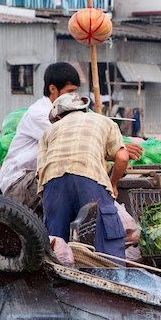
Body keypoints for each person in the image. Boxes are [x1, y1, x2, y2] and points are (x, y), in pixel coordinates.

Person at [37, 93, 131, 259]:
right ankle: (112, 280)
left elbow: (40, 173)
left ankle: (61, 283)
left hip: (53, 183)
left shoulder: (48, 132)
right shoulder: (104, 121)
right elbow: (123, 157)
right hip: (90, 178)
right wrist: (113, 183)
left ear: (58, 116)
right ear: (84, 109)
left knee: (57, 248)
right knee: (105, 247)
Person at [0, 62, 80, 212]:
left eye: (76, 92)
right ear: (53, 89)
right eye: (70, 92)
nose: (74, 97)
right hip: (19, 183)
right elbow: (70, 142)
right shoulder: (40, 114)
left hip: (36, 177)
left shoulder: (64, 112)